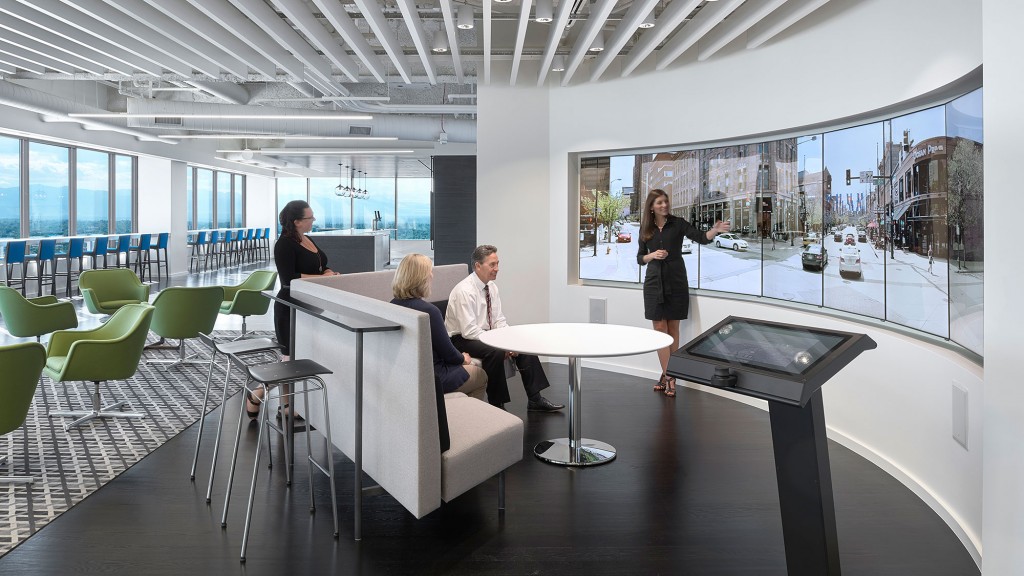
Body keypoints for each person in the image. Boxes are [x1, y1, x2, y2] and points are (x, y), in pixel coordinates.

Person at [247, 200, 340, 419]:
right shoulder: (284, 244)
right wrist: (322, 277)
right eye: (310, 218)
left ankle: (280, 403)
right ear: (297, 221)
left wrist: (328, 272)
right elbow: (289, 279)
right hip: (290, 307)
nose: (313, 220)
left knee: (296, 359)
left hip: (310, 306)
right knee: (289, 360)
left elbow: (320, 264)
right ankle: (265, 395)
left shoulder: (308, 239)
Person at [445, 245, 564, 412]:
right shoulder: (464, 291)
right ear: (478, 266)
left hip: (485, 334)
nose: (497, 269)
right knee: (495, 351)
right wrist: (499, 343)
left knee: (522, 342)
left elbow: (498, 320)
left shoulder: (491, 287)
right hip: (461, 339)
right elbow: (469, 330)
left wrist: (509, 340)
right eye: (492, 265)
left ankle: (535, 399)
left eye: (497, 264)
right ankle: (497, 404)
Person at [637, 189, 730, 398]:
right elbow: (639, 258)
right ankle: (669, 375)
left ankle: (667, 375)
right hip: (653, 283)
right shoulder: (646, 229)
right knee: (659, 329)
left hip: (676, 281)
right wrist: (652, 255)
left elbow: (701, 237)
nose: (664, 205)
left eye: (666, 201)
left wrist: (714, 230)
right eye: (660, 202)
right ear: (651, 207)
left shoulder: (678, 223)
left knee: (672, 328)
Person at [390, 253, 487, 401]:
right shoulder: (429, 311)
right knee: (480, 375)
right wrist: (463, 358)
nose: (432, 276)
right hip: (434, 377)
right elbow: (448, 353)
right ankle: (470, 420)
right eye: (429, 272)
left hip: (407, 374)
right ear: (420, 278)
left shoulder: (392, 305)